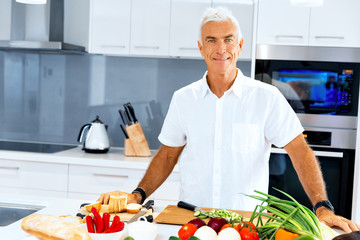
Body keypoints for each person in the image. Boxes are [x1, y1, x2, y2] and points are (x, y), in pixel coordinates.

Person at [98, 7, 359, 232]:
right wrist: (137, 195)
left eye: (228, 39)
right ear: (201, 47)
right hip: (193, 221)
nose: (221, 48)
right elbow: (167, 156)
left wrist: (323, 208)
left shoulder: (266, 97)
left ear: (240, 45)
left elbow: (300, 153)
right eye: (211, 40)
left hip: (248, 224)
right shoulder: (183, 99)